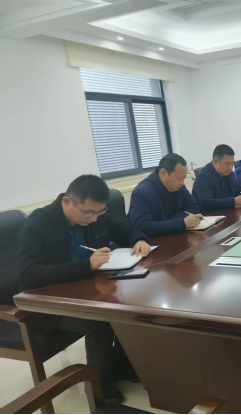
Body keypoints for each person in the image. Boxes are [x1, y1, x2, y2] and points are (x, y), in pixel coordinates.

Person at [17, 175, 152, 403]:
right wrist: (86, 266)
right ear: (67, 202)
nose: (94, 219)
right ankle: (98, 384)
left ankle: (120, 366)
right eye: (89, 213)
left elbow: (124, 228)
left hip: (89, 289)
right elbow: (29, 275)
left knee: (129, 308)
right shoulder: (39, 224)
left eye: (99, 212)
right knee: (100, 322)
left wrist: (139, 239)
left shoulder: (95, 214)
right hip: (51, 304)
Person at [128, 153, 203, 237]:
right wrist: (181, 223)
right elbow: (143, 226)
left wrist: (171, 222)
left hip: (173, 236)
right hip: (151, 241)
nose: (182, 183)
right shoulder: (142, 192)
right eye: (179, 178)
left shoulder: (178, 186)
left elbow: (194, 207)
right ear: (163, 173)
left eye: (184, 178)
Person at [192, 144, 241, 213]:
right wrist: (233, 201)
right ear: (215, 162)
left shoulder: (228, 173)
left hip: (227, 213)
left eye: (232, 163)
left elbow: (238, 189)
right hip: (209, 217)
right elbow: (206, 202)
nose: (230, 167)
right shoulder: (203, 177)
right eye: (227, 164)